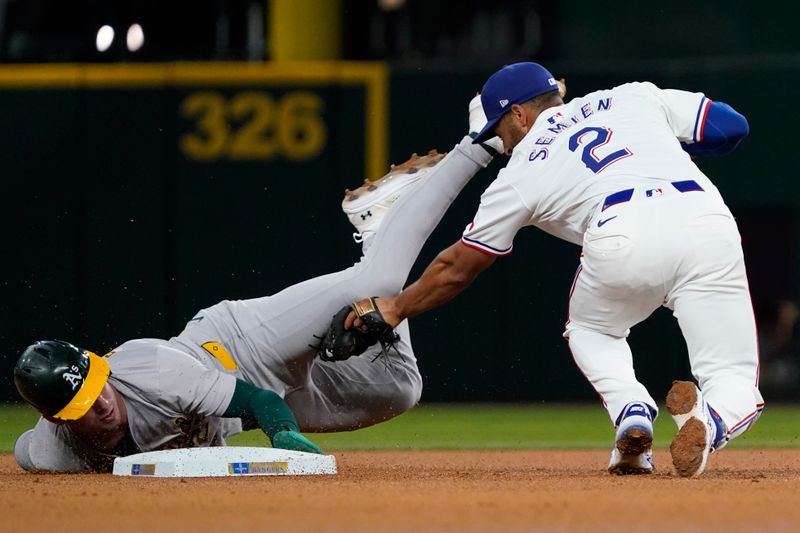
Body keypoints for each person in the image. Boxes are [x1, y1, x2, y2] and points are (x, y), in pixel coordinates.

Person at [12, 104, 501, 473]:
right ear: (58, 420)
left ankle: (477, 142)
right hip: (234, 406)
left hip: (240, 345)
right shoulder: (53, 451)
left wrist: (283, 433)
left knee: (378, 283)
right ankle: (380, 234)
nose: (99, 401)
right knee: (399, 390)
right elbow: (22, 453)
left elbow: (259, 402)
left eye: (97, 385)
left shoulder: (152, 373)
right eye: (82, 405)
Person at [345, 62, 763, 478]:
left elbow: (457, 267)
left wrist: (396, 307)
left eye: (499, 130)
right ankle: (709, 421)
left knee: (592, 331)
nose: (503, 144)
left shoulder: (522, 168)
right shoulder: (632, 95)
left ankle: (630, 409)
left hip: (622, 233)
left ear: (519, 115)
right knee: (732, 376)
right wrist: (659, 148)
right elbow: (732, 126)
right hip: (704, 220)